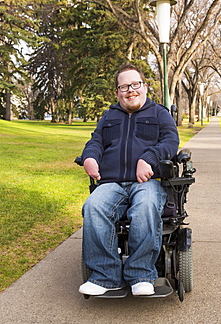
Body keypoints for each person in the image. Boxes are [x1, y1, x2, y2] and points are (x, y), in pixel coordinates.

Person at [79, 63, 179, 296]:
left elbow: (171, 141)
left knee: (145, 206)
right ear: (117, 92)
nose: (130, 90)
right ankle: (106, 276)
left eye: (135, 85)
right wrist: (90, 157)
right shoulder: (109, 116)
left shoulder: (159, 113)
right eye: (124, 86)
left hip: (147, 182)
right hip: (111, 182)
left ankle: (141, 274)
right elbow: (95, 141)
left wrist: (150, 158)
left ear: (144, 87)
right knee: (93, 206)